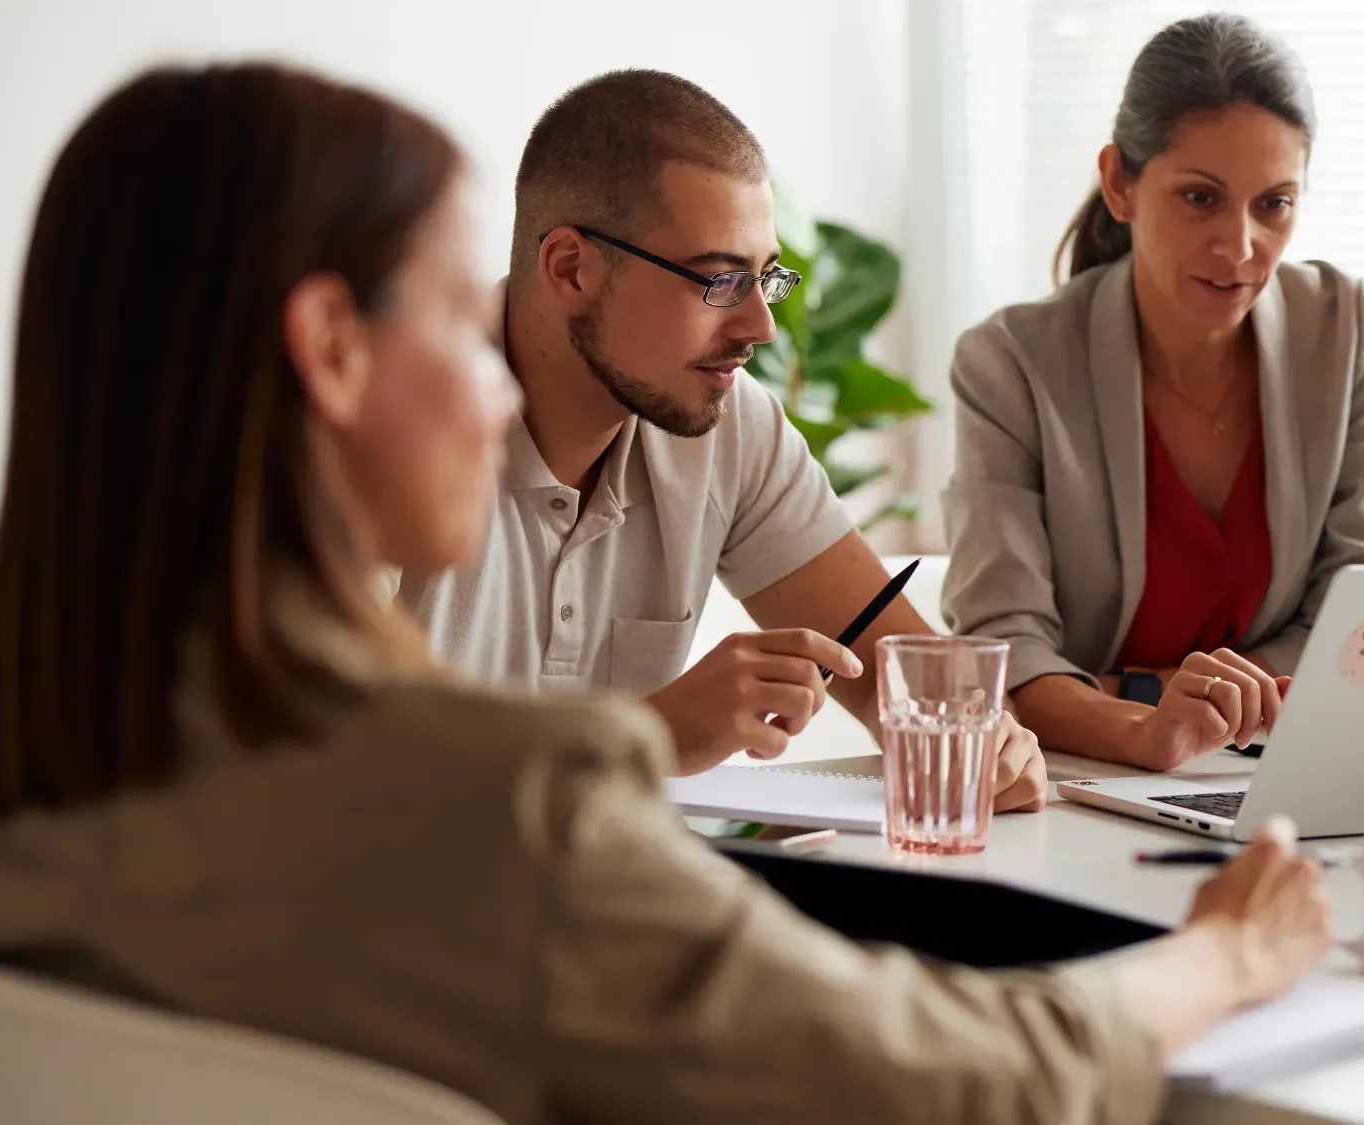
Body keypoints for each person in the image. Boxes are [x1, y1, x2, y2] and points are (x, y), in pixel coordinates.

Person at [0, 63, 1333, 1125]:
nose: (494, 373)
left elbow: (903, 664)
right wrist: (1219, 961)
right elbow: (962, 1083)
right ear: (332, 350)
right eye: (451, 311)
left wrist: (1094, 725)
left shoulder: (14, 760)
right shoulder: (505, 811)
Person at [396, 70, 1046, 806]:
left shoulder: (729, 422)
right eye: (717, 282)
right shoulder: (374, 432)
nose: (760, 329)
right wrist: (648, 735)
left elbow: (911, 679)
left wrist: (989, 736)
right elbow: (304, 788)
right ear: (571, 268)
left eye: (766, 279)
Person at [942, 13, 1364, 771]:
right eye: (1201, 198)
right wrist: (1146, 713)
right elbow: (1002, 654)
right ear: (1119, 184)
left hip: (1282, 766)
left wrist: (1122, 688)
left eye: (1274, 204)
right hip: (1080, 775)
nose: (1239, 248)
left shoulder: (1351, 335)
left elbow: (1352, 619)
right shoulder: (1010, 364)